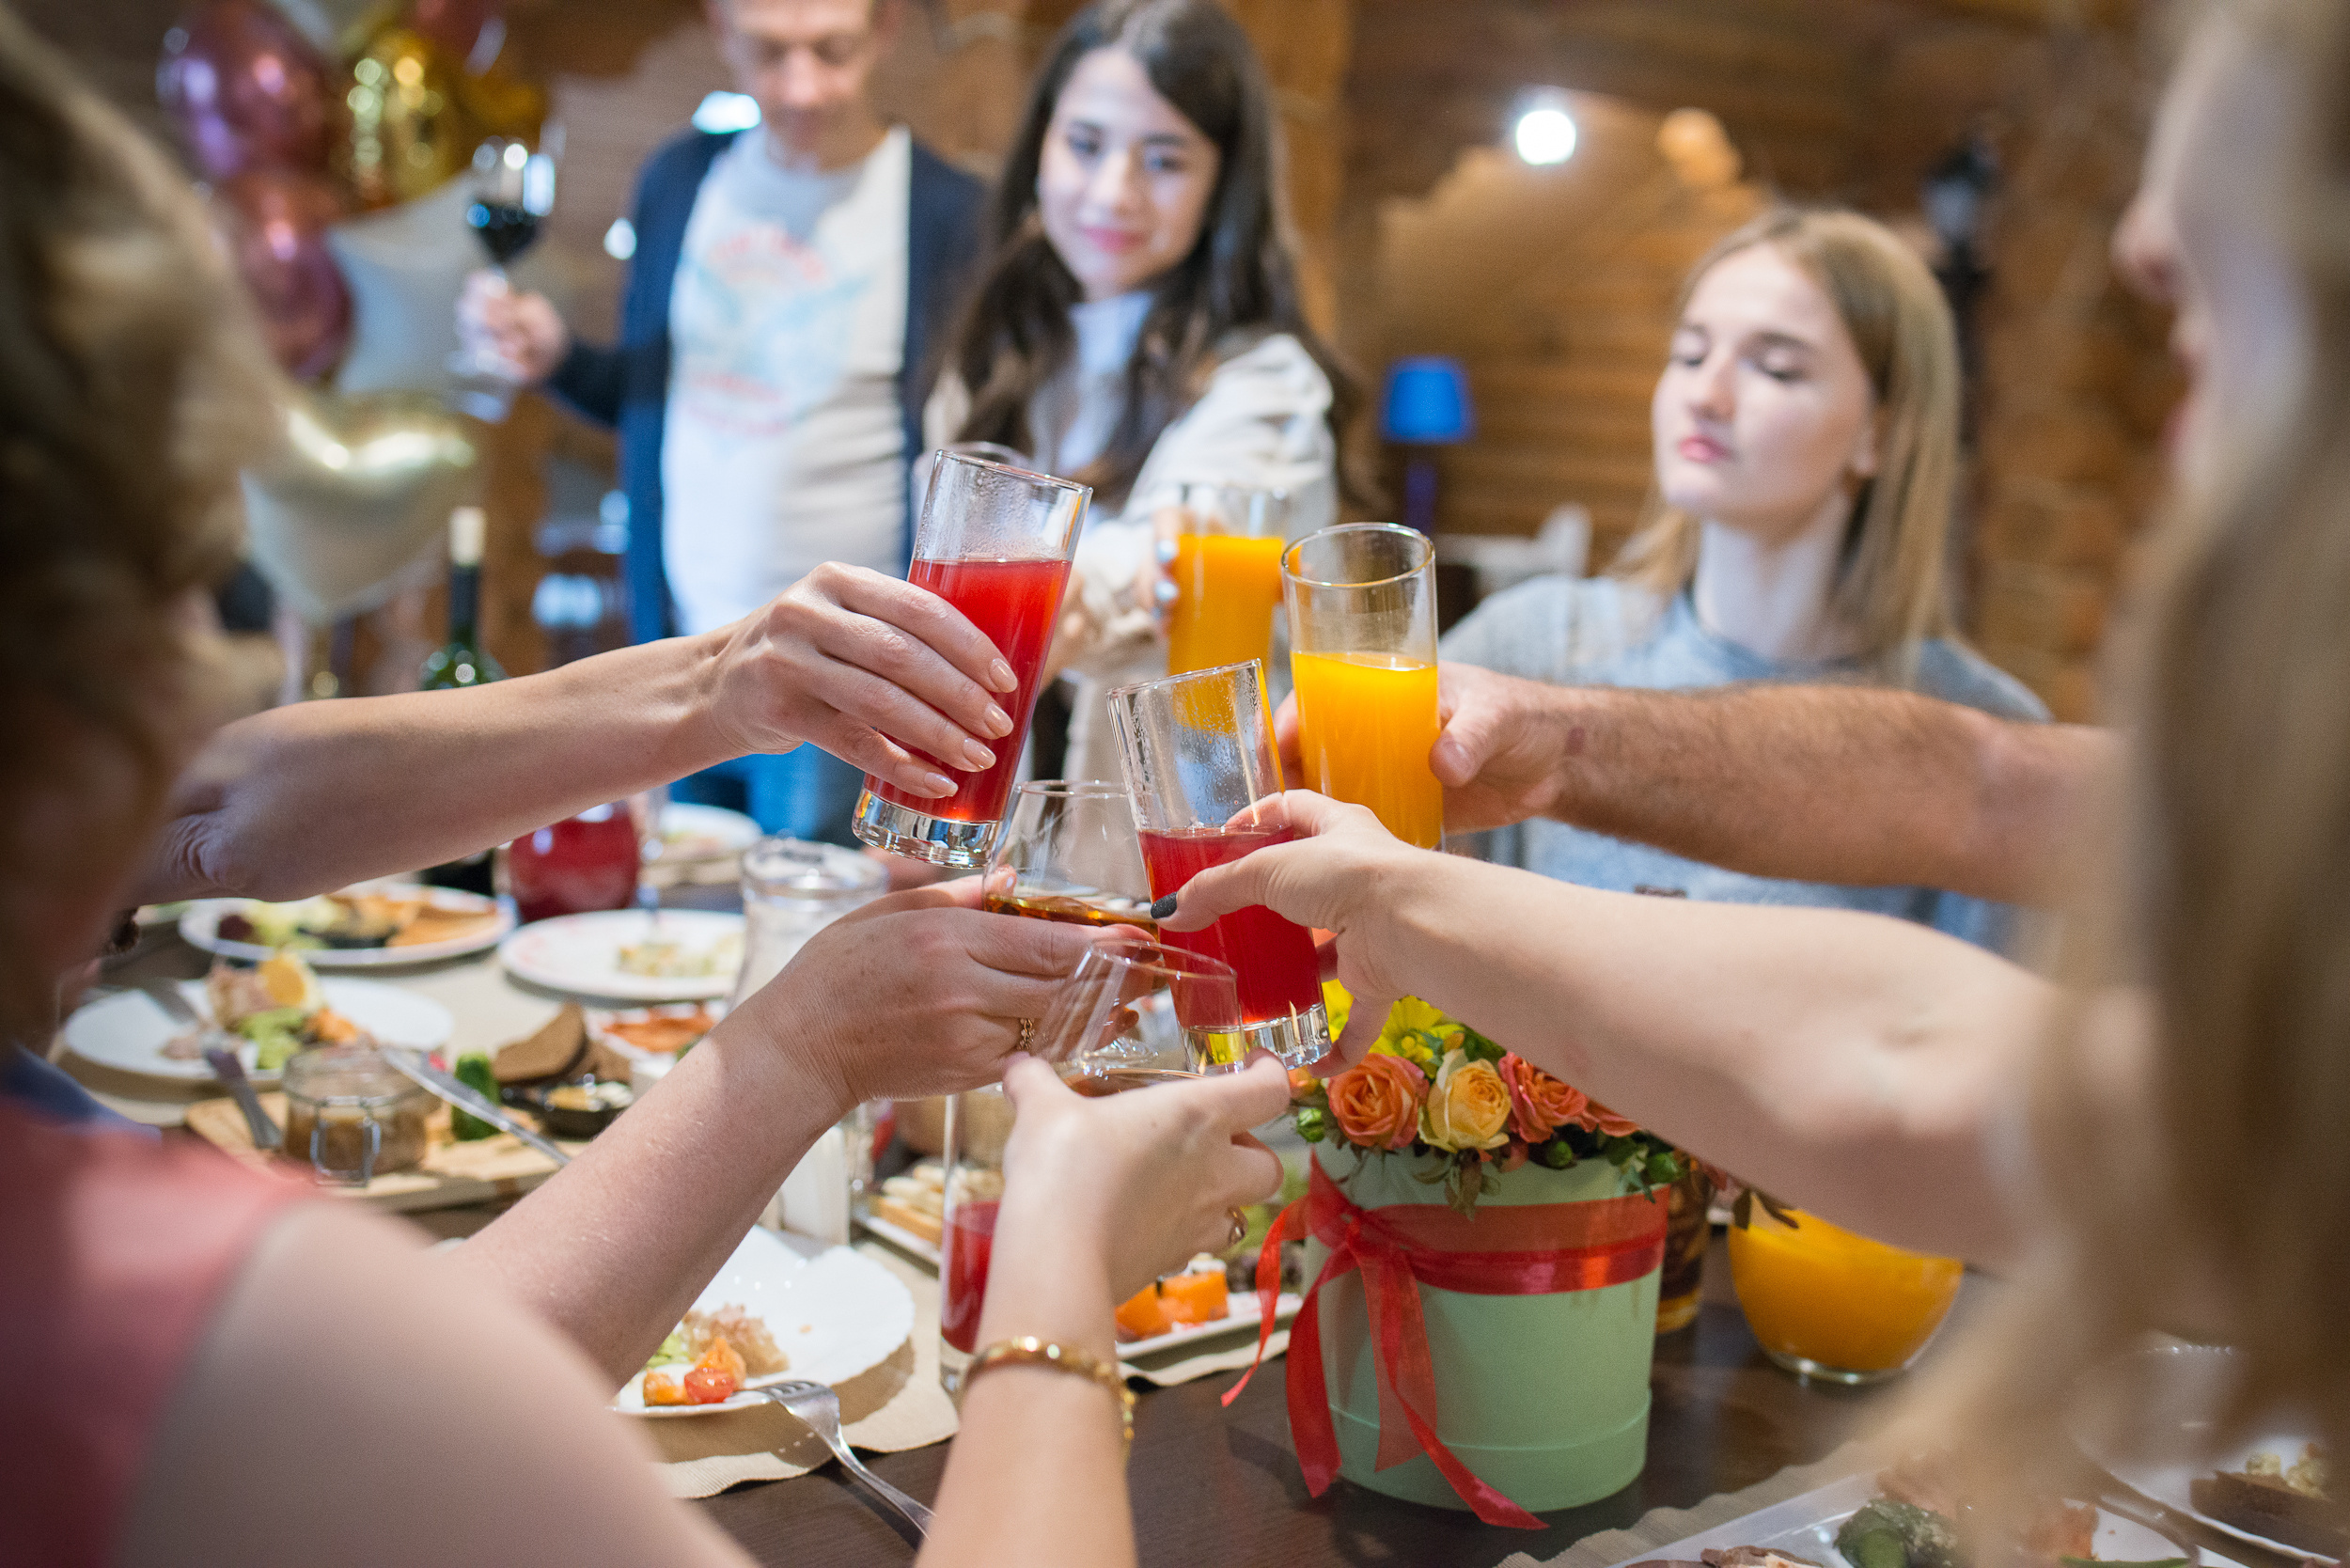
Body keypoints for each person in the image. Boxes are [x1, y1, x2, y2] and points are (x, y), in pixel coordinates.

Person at [0, 24, 1287, 1567]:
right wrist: (1053, 1242)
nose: (197, 683)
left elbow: (212, 807)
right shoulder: (165, 1308)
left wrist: (717, 684)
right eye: (186, 600)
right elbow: (427, 1417)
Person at [1165, 0, 2347, 1489]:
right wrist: (1571, 745)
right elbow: (1980, 788)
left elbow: (1916, 1070)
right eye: (1690, 350)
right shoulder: (1546, 647)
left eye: (2205, 301)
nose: (2144, 253)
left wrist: (1398, 897)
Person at [1438, 209, 2045, 950]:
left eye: (1775, 367)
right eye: (1690, 356)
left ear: (1879, 435)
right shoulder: (1533, 643)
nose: (1709, 395)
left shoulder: (1980, 729)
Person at [461, 0, 985, 844]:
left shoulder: (950, 213)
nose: (802, 86)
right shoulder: (680, 178)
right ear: (720, 32)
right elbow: (661, 403)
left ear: (885, 31)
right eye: (769, 53)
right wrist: (558, 359)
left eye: (833, 50)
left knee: (806, 940)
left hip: (851, 674)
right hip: (685, 654)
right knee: (683, 942)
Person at [927, 0, 1364, 784]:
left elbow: (1182, 549)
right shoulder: (996, 354)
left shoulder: (1264, 381)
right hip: (996, 827)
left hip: (1192, 830)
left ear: (1222, 186)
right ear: (1040, 147)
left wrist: (1044, 603)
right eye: (1085, 144)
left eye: (1164, 160)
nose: (1112, 192)